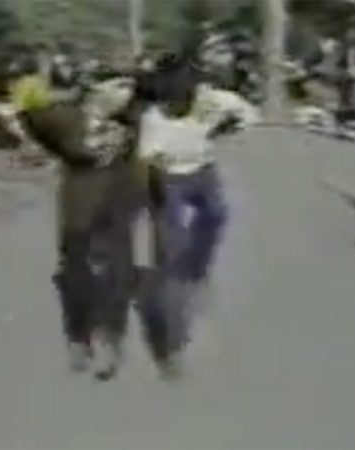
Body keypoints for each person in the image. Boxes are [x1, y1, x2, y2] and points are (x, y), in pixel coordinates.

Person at [8, 60, 140, 380]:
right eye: (119, 86)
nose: (127, 93)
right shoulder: (63, 118)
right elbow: (26, 117)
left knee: (114, 275)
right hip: (79, 207)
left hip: (117, 207)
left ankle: (108, 340)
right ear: (95, 89)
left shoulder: (132, 118)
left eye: (129, 86)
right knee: (78, 277)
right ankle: (79, 337)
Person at [136, 55, 228, 378]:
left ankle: (198, 269)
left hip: (203, 172)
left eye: (186, 100)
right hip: (168, 177)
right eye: (174, 102)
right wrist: (157, 203)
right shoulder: (153, 119)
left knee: (216, 215)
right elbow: (146, 163)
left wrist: (224, 127)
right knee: (172, 263)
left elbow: (237, 116)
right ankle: (170, 348)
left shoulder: (210, 104)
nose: (181, 107)